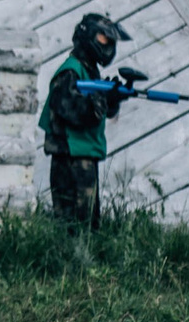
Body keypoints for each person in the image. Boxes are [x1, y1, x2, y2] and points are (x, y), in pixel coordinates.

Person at [38, 12, 129, 225]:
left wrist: (113, 99)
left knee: (88, 225)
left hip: (83, 155)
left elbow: (100, 112)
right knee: (74, 228)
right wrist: (103, 99)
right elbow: (73, 112)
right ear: (88, 36)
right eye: (104, 38)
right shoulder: (71, 71)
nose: (108, 45)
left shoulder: (89, 72)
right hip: (71, 158)